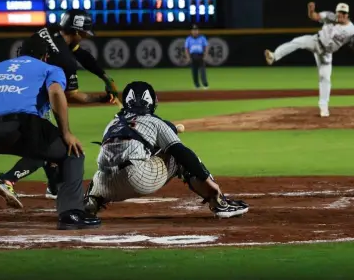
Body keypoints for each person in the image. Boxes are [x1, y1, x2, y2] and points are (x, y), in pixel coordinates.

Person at [0, 34, 101, 230]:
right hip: (20, 129)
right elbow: (57, 93)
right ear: (45, 56)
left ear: (18, 54)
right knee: (72, 152)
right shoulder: (51, 68)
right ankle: (71, 214)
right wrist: (66, 133)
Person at [0, 9, 120, 208]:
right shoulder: (65, 61)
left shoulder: (45, 33)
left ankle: (55, 186)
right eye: (84, 33)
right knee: (47, 145)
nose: (84, 38)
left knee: (49, 138)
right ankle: (7, 179)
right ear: (77, 32)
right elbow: (70, 96)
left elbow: (79, 53)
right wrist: (102, 97)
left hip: (9, 88)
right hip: (29, 101)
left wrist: (103, 75)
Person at [83, 81, 249, 218]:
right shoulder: (154, 122)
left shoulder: (112, 124)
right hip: (138, 179)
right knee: (179, 157)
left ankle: (91, 202)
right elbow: (183, 154)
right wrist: (210, 182)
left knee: (104, 170)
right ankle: (218, 201)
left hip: (106, 184)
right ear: (152, 102)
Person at [264, 2, 354, 118]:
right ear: (336, 12)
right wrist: (310, 10)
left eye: (344, 13)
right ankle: (274, 56)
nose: (341, 15)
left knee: (325, 78)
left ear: (348, 14)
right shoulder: (330, 16)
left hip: (326, 54)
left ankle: (324, 108)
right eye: (339, 12)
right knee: (298, 41)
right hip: (316, 41)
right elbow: (314, 16)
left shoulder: (352, 30)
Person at [184, 25, 209, 89]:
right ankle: (197, 85)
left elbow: (206, 47)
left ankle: (205, 84)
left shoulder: (202, 38)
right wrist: (188, 57)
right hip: (193, 56)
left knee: (202, 71)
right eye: (193, 30)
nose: (195, 31)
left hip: (200, 55)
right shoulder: (188, 39)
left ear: (198, 31)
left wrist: (205, 55)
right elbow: (186, 49)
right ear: (191, 31)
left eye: (196, 30)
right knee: (194, 72)